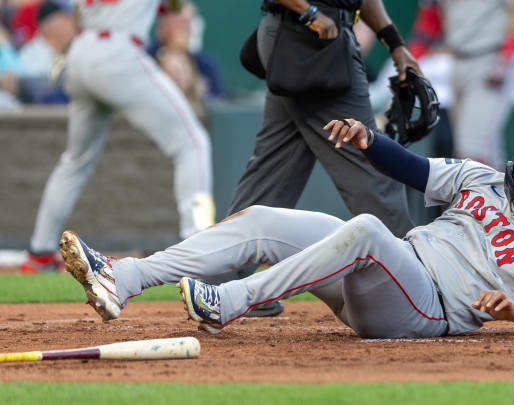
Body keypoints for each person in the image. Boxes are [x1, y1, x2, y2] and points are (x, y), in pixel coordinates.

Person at [59, 120, 514, 340]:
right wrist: (367, 140)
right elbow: (411, 169)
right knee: (264, 219)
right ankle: (123, 277)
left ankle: (230, 302)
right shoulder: (484, 180)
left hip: (427, 311)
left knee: (366, 231)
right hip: (390, 272)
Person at [219, 0, 423, 317]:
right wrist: (309, 12)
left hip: (302, 36)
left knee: (272, 174)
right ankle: (422, 285)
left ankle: (219, 283)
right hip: (310, 39)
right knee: (372, 166)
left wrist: (394, 43)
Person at [19, 0, 215, 273]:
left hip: (81, 51)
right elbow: (176, 9)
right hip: (119, 50)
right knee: (193, 143)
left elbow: (78, 13)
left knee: (75, 160)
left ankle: (39, 251)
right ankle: (198, 245)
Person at [410, 0, 514, 169]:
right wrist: (413, 56)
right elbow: (430, 18)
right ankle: (502, 193)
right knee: (486, 150)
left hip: (491, 56)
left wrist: (507, 53)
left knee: (473, 149)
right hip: (458, 59)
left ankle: (484, 194)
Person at [17, 0, 75, 103]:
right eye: (66, 19)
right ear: (48, 25)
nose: (72, 25)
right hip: (40, 115)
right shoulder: (30, 54)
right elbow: (36, 91)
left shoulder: (72, 52)